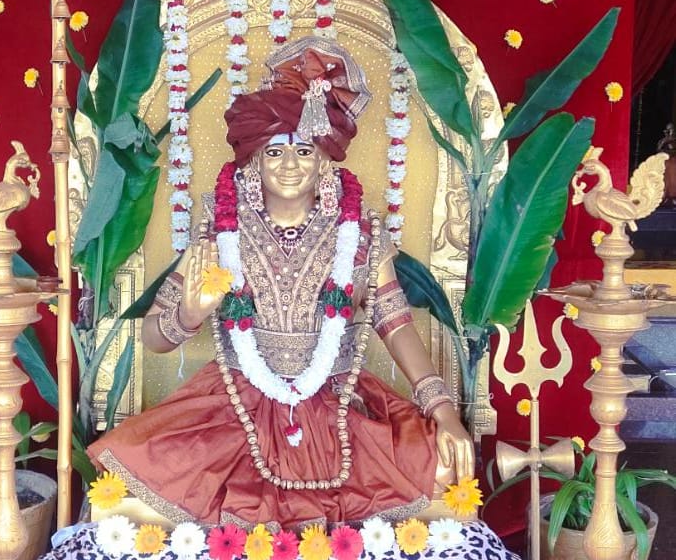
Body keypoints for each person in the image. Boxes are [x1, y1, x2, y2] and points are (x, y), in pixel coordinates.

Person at [89, 36, 474, 529]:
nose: (290, 166)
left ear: (324, 160)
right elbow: (153, 337)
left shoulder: (359, 232)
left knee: (447, 469)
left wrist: (442, 410)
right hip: (235, 404)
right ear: (253, 160)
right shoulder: (221, 229)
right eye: (274, 152)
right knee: (124, 482)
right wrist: (188, 315)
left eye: (304, 151)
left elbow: (396, 324)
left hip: (339, 404)